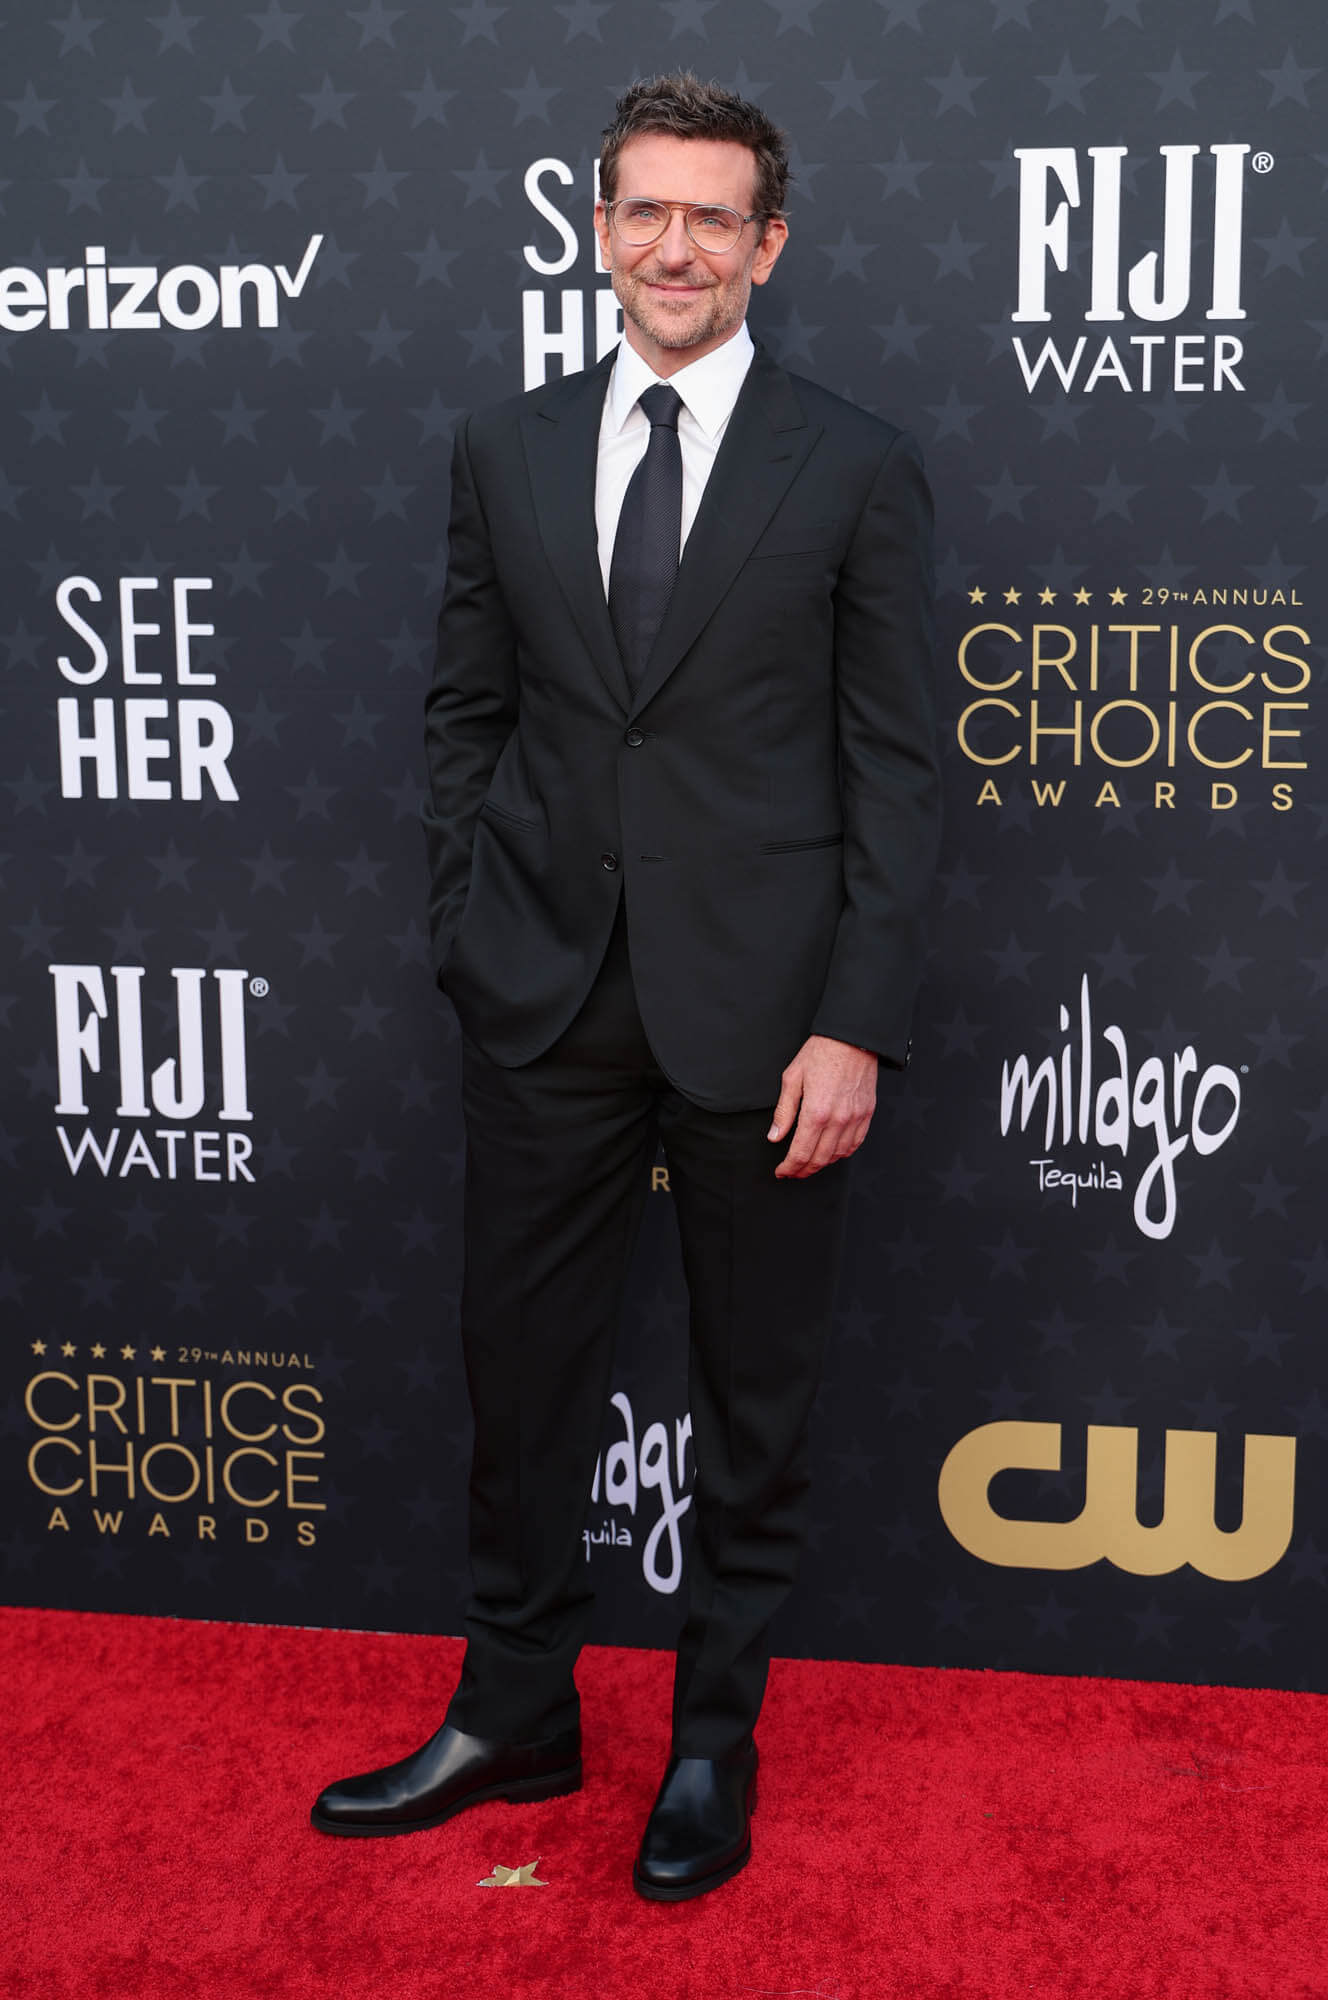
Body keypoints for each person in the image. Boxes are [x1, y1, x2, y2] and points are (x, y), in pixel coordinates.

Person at [311, 71, 939, 1901]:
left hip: (770, 1016)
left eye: (711, 217)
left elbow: (897, 769)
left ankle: (709, 1745)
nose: (676, 246)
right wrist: (467, 920)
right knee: (519, 1380)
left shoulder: (853, 465)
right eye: (644, 211)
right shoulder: (501, 449)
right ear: (597, 230)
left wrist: (855, 1018)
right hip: (542, 994)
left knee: (753, 1400)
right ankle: (514, 1711)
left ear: (767, 246)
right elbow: (466, 711)